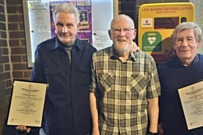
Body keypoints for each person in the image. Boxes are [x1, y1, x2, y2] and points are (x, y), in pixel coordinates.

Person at [16, 3, 96, 135]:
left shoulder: (90, 52)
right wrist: (26, 118)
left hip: (84, 128)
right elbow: (36, 88)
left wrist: (131, 48)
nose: (64, 30)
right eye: (60, 24)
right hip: (54, 128)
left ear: (78, 26)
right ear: (54, 25)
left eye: (69, 25)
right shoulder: (43, 51)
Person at [89, 14, 161, 135]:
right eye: (116, 30)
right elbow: (94, 95)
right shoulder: (97, 59)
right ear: (110, 34)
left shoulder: (147, 61)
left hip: (137, 130)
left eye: (126, 30)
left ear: (134, 33)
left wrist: (153, 131)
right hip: (107, 130)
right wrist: (95, 128)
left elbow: (153, 100)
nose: (121, 34)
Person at [157, 22, 203, 135]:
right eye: (179, 40)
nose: (184, 44)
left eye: (189, 39)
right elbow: (158, 100)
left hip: (202, 130)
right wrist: (158, 122)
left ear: (197, 43)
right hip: (172, 130)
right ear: (174, 45)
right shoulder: (162, 69)